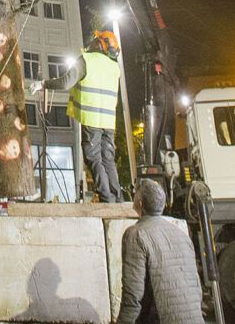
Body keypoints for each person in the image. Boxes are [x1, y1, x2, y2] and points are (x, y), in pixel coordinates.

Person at [29, 29, 124, 202]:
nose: (92, 41)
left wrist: (43, 84)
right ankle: (117, 198)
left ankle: (106, 198)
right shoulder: (114, 67)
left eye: (95, 39)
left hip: (92, 119)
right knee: (107, 159)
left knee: (94, 158)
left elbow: (66, 82)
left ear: (100, 44)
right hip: (108, 122)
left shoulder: (87, 60)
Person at [117, 179, 205, 324]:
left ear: (139, 204)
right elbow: (196, 288)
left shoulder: (136, 234)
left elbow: (132, 296)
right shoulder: (181, 235)